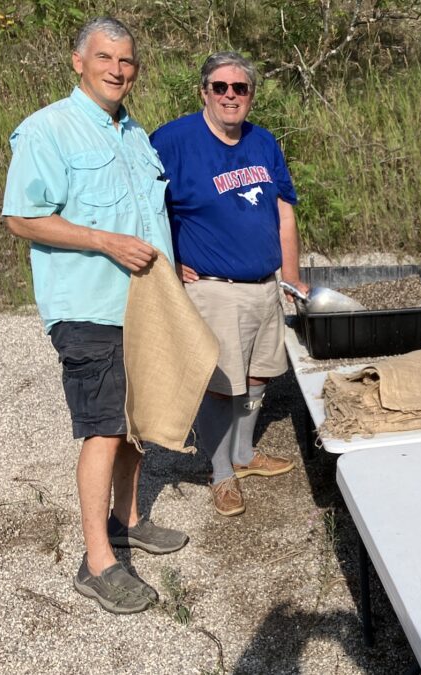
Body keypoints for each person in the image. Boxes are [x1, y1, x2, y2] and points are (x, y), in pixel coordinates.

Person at [2, 17, 188, 614]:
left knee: (134, 419)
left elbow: (151, 216)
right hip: (88, 304)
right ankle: (96, 562)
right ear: (78, 61)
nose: (117, 69)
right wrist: (105, 241)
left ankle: (126, 518)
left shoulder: (134, 134)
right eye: (105, 57)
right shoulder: (47, 129)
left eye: (127, 60)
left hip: (146, 303)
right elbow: (22, 217)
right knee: (104, 426)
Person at [150, 52, 304, 518]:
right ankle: (220, 473)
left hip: (263, 283)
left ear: (251, 95)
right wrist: (167, 263)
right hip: (213, 286)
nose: (231, 96)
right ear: (205, 91)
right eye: (221, 87)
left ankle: (243, 454)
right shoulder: (174, 140)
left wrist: (291, 277)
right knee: (220, 383)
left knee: (258, 374)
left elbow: (283, 211)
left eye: (240, 88)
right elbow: (144, 207)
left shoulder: (262, 141)